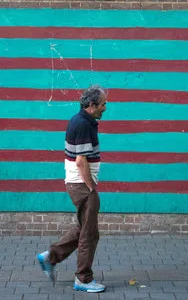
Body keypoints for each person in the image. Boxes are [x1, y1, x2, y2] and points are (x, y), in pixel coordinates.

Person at [37, 86, 107, 293]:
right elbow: (80, 160)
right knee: (89, 234)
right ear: (92, 105)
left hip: (77, 183)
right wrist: (91, 187)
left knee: (83, 227)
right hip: (81, 184)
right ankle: (83, 279)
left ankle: (50, 257)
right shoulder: (83, 124)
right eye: (103, 104)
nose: (105, 108)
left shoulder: (81, 120)